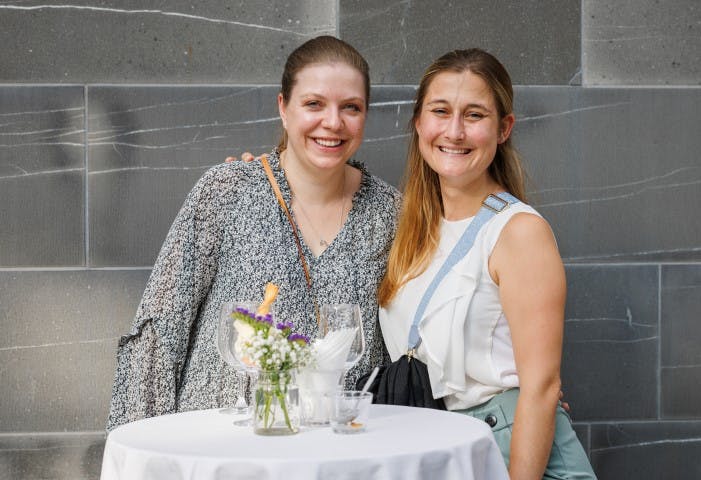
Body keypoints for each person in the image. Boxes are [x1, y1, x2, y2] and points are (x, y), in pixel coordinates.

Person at [107, 36, 400, 430]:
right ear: (283, 107)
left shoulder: (391, 213)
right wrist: (141, 444)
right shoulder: (227, 190)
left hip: (338, 452)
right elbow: (160, 329)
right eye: (314, 104)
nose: (333, 122)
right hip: (220, 446)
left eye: (351, 107)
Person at [377, 49, 596, 479]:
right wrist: (258, 173)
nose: (454, 131)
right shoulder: (414, 227)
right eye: (440, 111)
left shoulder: (517, 233)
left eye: (474, 115)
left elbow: (542, 387)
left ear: (503, 129)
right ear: (419, 122)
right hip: (444, 448)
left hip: (512, 455)